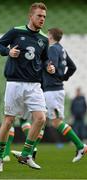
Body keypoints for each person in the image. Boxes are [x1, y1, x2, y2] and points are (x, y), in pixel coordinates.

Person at [0, 2, 49, 172]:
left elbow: (45, 58)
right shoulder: (16, 31)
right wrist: (8, 52)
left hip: (34, 85)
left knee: (41, 118)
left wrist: (49, 65)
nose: (42, 19)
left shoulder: (44, 39)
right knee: (9, 120)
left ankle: (25, 155)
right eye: (39, 16)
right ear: (30, 16)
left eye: (44, 17)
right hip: (15, 83)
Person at [42, 28, 87, 163]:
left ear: (50, 36)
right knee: (40, 119)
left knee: (54, 121)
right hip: (56, 89)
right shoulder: (61, 49)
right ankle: (29, 152)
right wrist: (64, 77)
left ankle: (80, 146)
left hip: (52, 90)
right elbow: (72, 67)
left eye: (47, 34)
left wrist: (49, 68)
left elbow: (52, 66)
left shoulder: (53, 49)